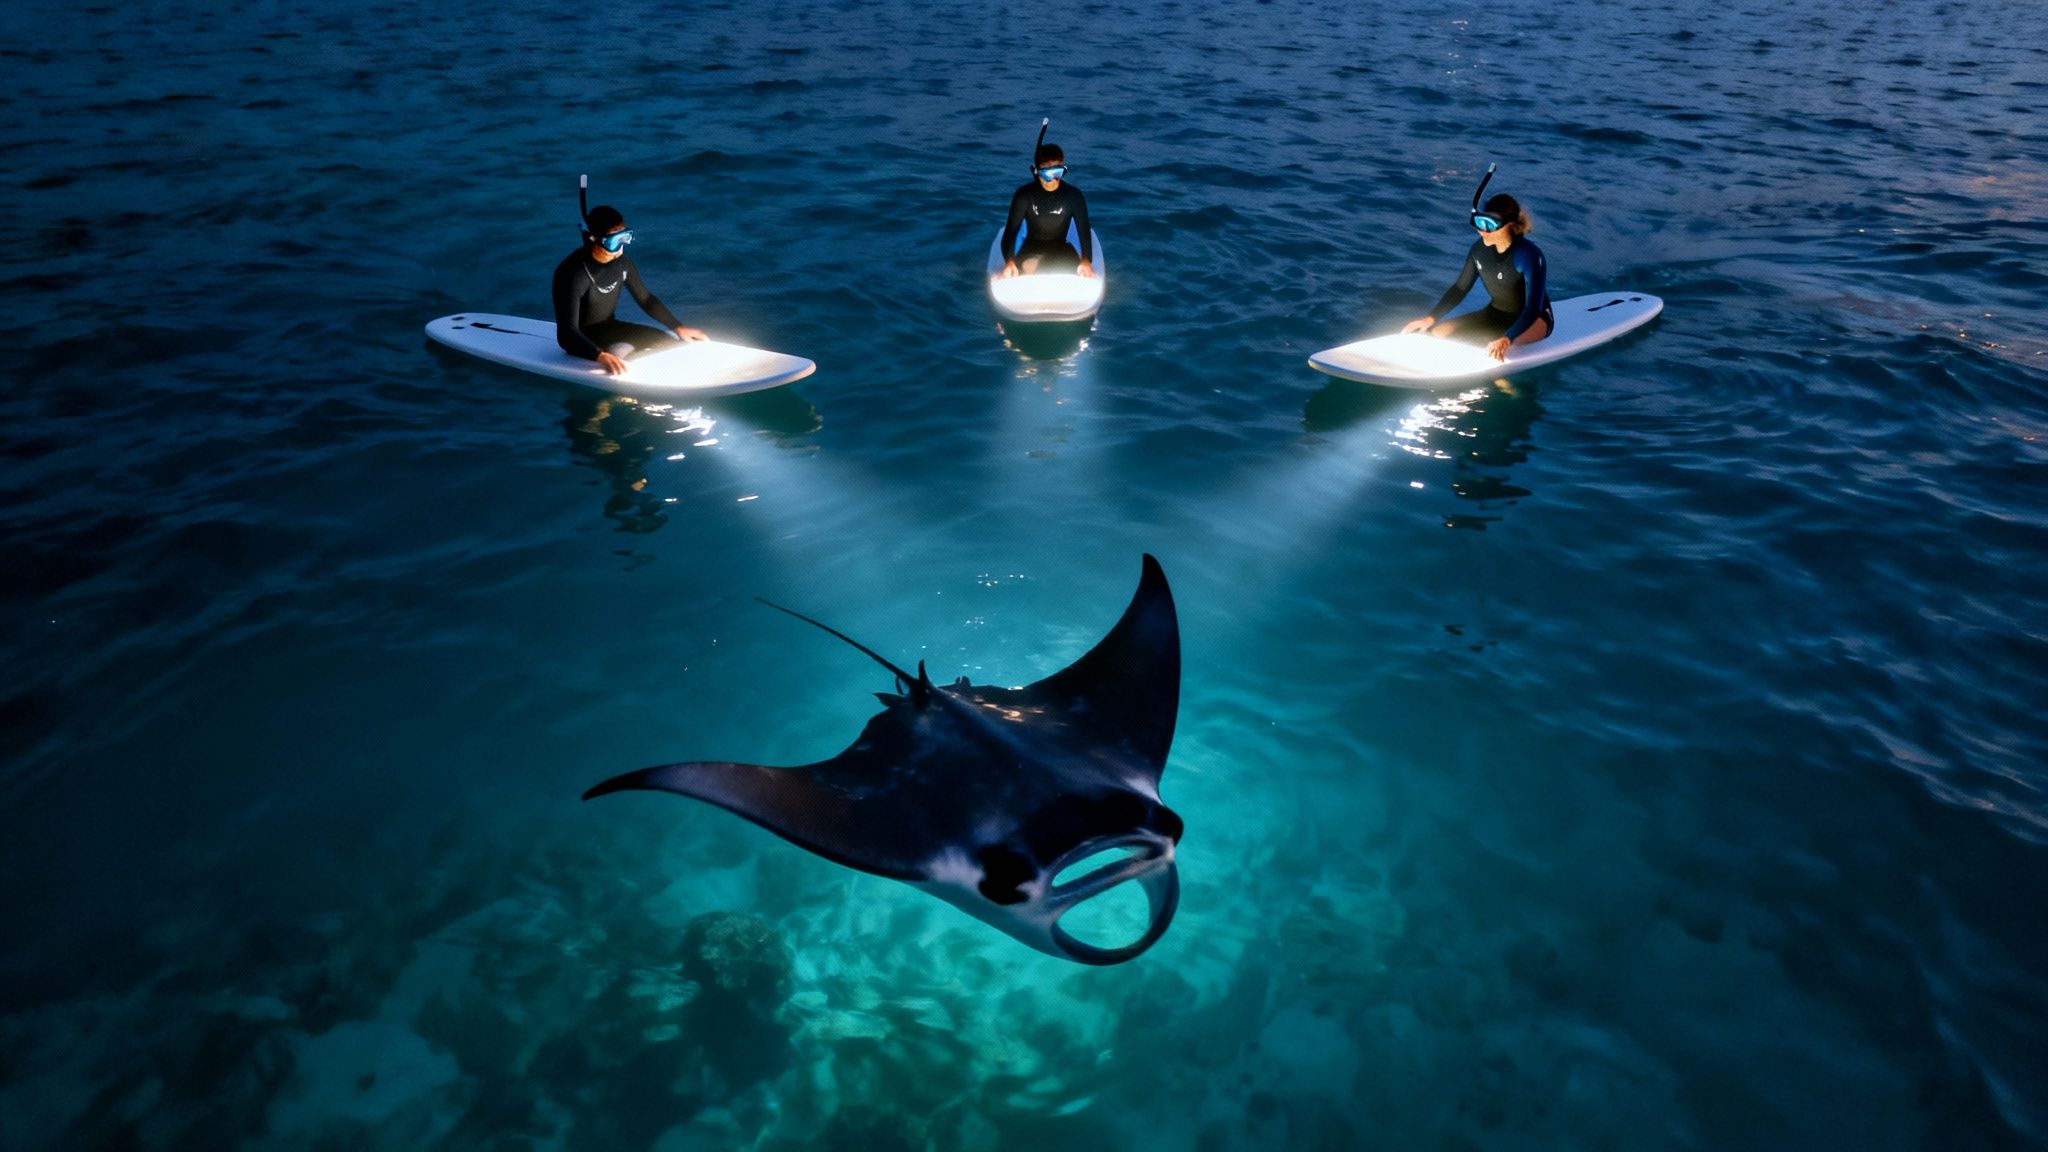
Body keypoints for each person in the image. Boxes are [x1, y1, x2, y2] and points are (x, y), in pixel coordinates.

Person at [1403, 167, 1551, 362]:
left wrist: (1507, 339)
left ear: (1511, 225)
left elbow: (1532, 308)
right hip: (1495, 313)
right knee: (1437, 333)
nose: (1482, 231)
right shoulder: (1478, 250)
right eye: (1479, 223)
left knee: (1491, 346)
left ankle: (1509, 385)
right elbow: (1459, 288)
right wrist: (1430, 318)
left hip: (1536, 319)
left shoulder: (1530, 256)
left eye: (1489, 225)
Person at [552, 202, 706, 377]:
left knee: (667, 340)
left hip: (611, 328)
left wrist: (678, 327)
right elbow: (566, 335)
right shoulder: (571, 273)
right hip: (584, 340)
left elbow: (646, 300)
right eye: (614, 241)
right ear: (593, 239)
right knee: (623, 355)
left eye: (625, 237)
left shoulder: (622, 264)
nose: (621, 247)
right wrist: (600, 356)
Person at [998, 141, 1095, 279]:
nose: (1053, 180)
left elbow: (1084, 230)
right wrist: (1009, 261)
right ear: (1036, 172)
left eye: (1058, 173)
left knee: (1070, 274)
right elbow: (1010, 232)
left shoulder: (1074, 196)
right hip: (1031, 250)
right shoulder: (1024, 195)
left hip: (1061, 249)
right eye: (1047, 174)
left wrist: (1086, 260)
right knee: (1028, 270)